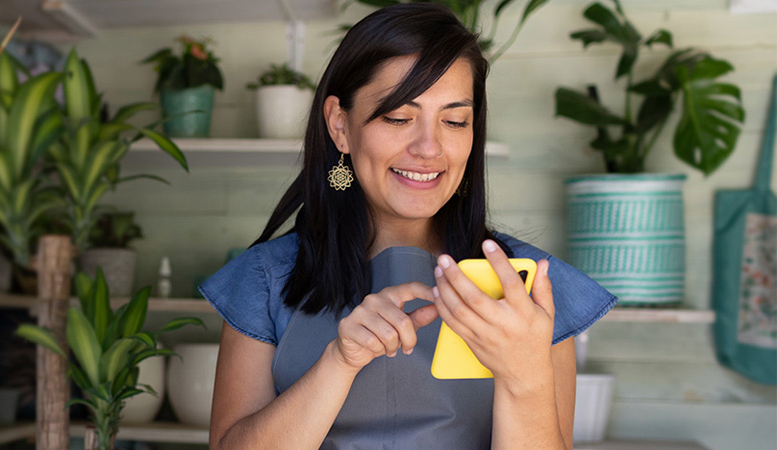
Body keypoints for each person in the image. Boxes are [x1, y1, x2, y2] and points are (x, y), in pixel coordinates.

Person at [199, 3, 617, 449]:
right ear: (340, 125)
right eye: (398, 117)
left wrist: (526, 379)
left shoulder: (528, 285)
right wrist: (339, 362)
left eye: (455, 120)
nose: (429, 148)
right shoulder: (264, 279)